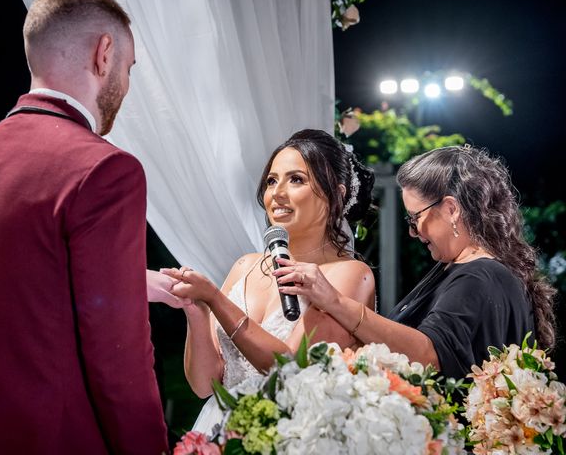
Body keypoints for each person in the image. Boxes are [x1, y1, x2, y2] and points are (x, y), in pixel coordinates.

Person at [0, 0, 168, 454]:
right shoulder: (105, 170)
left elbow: (17, 291)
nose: (125, 83)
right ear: (104, 54)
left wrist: (126, 280)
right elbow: (117, 361)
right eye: (128, 67)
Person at [274, 145, 556, 380]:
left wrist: (334, 300)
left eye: (415, 217)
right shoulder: (468, 270)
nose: (412, 231)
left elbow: (428, 354)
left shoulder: (478, 275)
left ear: (451, 209)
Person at [161, 129, 376, 434]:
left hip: (293, 432)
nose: (277, 193)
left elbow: (287, 366)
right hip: (219, 426)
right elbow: (203, 384)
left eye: (296, 179)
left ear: (336, 194)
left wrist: (216, 299)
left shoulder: (348, 274)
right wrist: (198, 311)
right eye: (272, 181)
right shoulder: (244, 266)